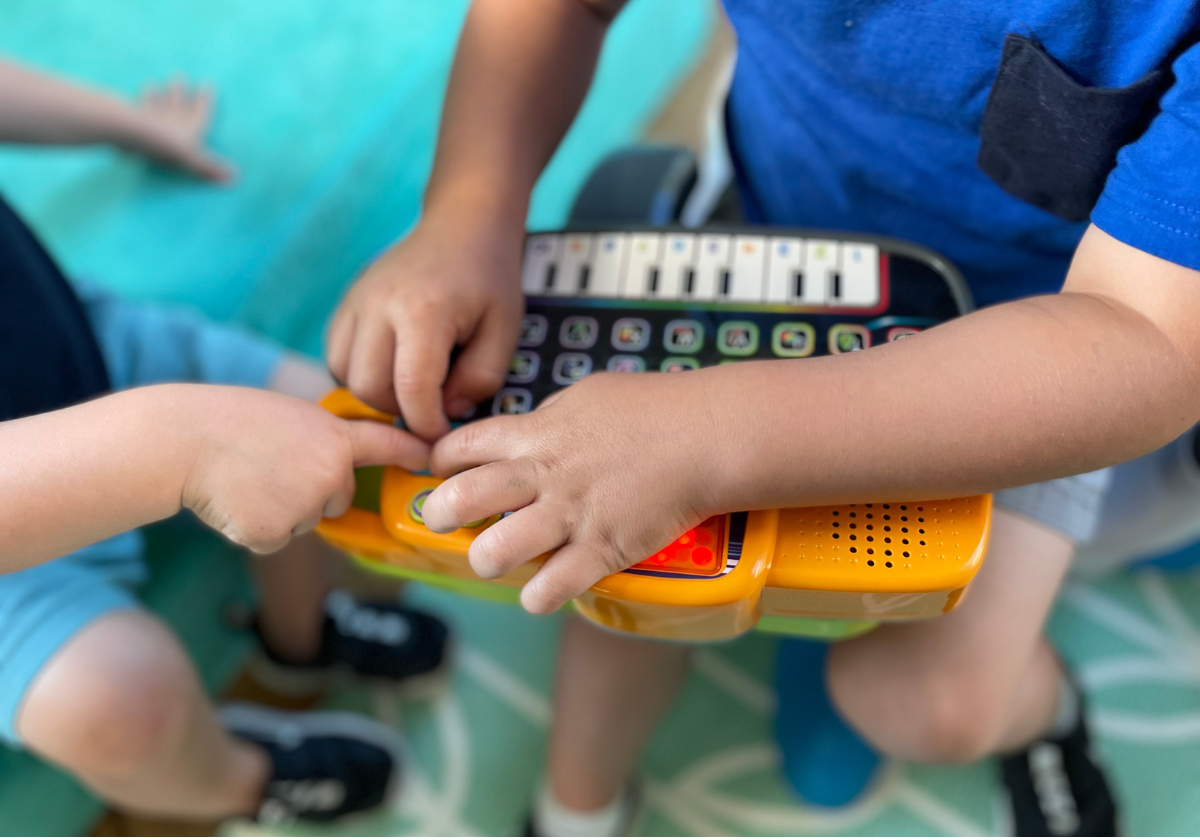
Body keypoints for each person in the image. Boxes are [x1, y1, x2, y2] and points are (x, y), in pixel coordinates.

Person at [328, 0, 1200, 835]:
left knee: (935, 706)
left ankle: (1045, 713)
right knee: (619, 577)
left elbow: (1145, 340)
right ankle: (577, 813)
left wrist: (714, 439)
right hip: (760, 232)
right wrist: (464, 215)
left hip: (1032, 339)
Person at [0, 59, 447, 826]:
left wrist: (126, 121)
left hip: (77, 351)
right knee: (118, 709)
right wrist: (173, 445)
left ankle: (301, 636)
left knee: (332, 426)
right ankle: (239, 780)